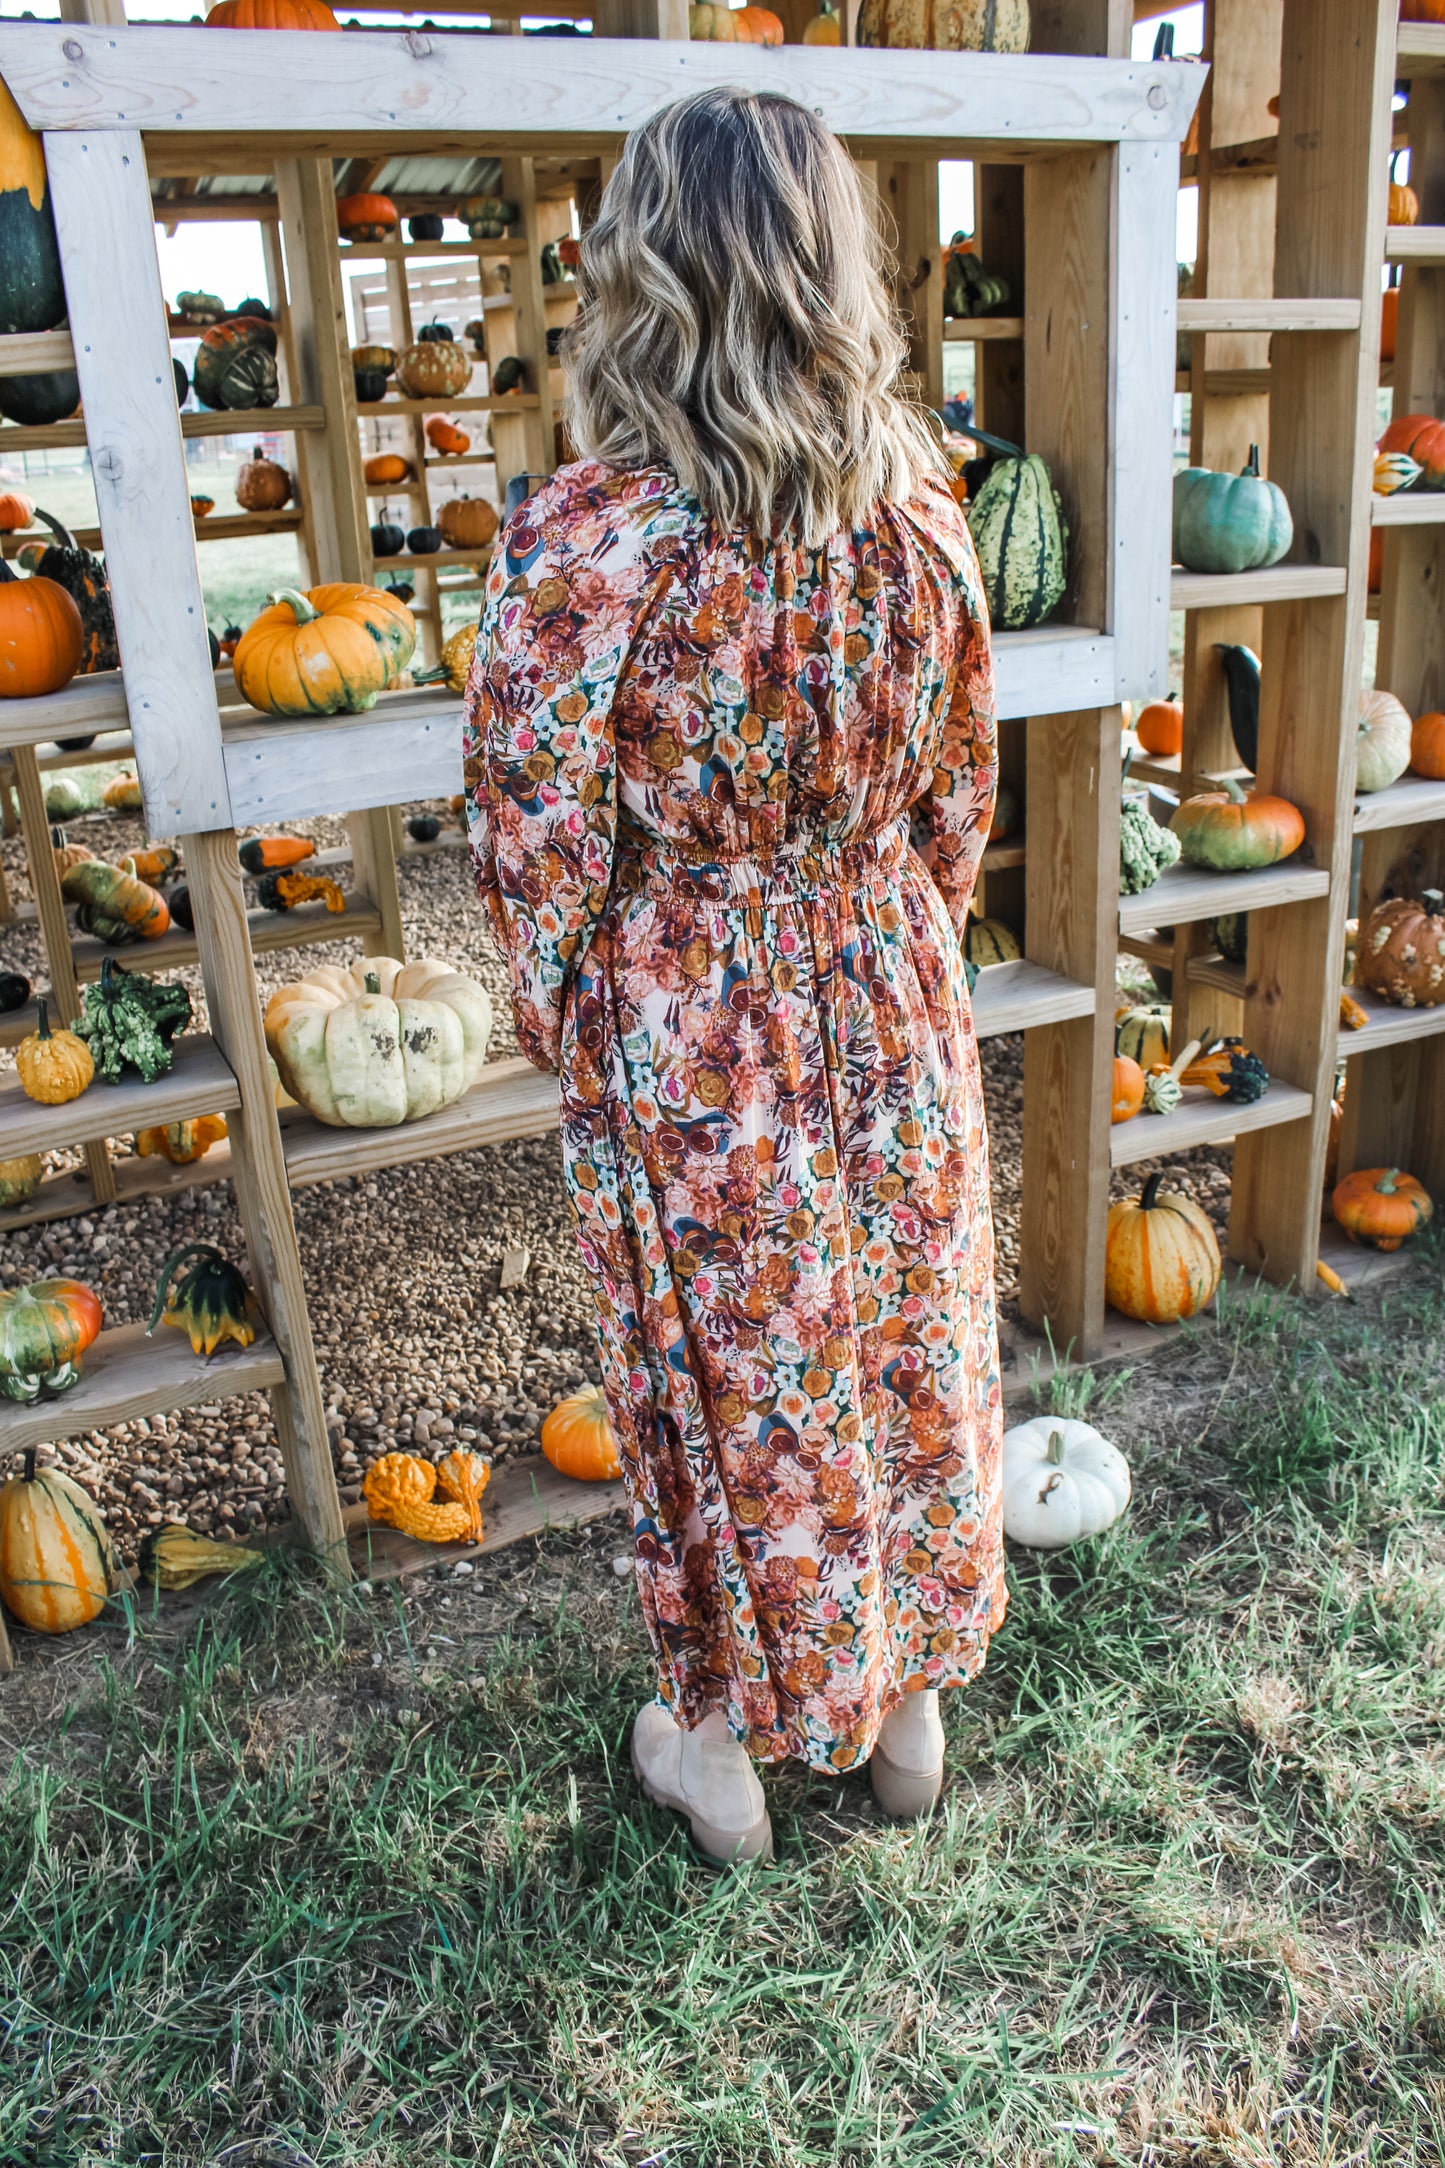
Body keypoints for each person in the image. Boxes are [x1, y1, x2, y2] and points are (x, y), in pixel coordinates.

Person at [462, 85, 1005, 1865]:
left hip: (691, 1018)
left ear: (643, 272)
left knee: (719, 1375)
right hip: (886, 978)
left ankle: (720, 1755)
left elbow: (530, 827)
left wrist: (569, 1010)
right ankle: (905, 1714)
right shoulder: (924, 515)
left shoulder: (588, 542)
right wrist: (883, 938)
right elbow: (957, 794)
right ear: (833, 265)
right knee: (897, 1340)